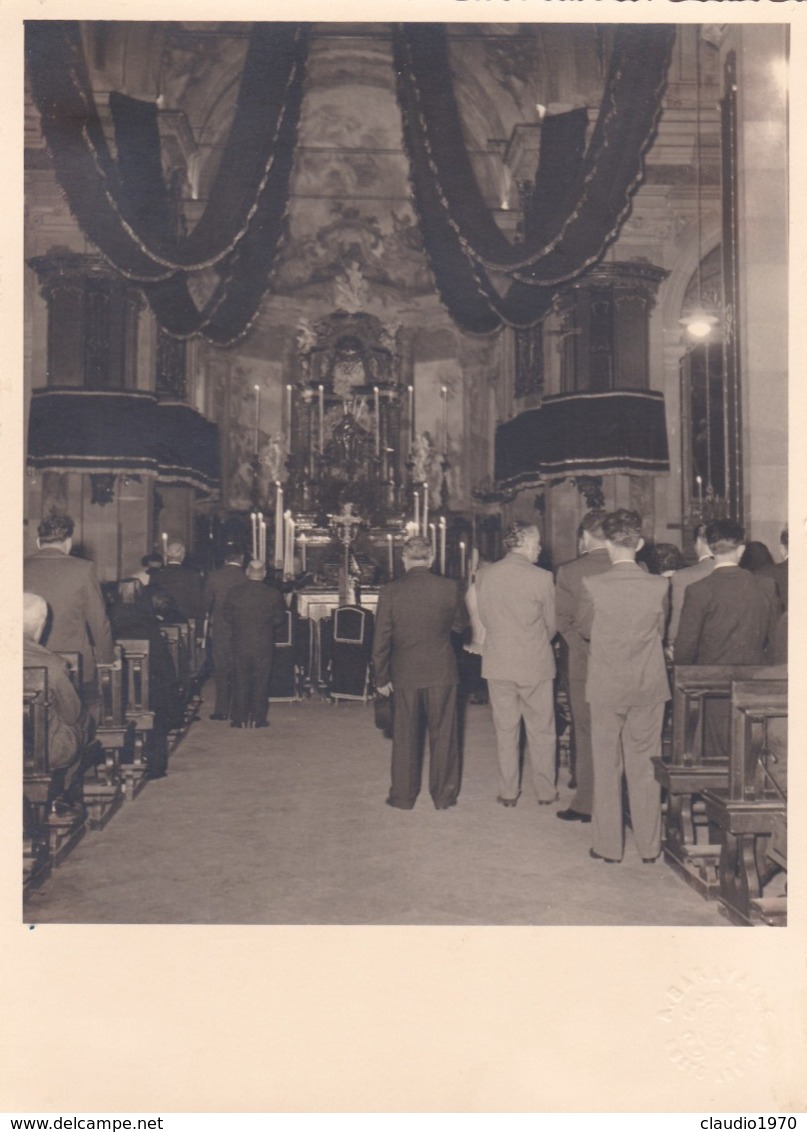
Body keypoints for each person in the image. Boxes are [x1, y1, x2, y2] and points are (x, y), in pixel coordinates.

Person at [579, 509, 670, 864]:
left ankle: (608, 846)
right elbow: (661, 631)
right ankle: (650, 847)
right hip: (648, 684)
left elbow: (585, 629)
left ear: (606, 543)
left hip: (606, 685)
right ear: (640, 544)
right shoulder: (660, 585)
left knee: (606, 764)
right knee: (645, 765)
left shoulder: (593, 585)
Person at [372, 534, 468, 810]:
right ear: (432, 557)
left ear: (403, 559)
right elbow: (460, 626)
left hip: (404, 673)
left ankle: (403, 796)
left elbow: (381, 639)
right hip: (441, 670)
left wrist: (381, 677)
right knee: (444, 734)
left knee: (404, 736)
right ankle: (443, 796)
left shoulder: (390, 591)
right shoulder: (450, 587)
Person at [673, 518, 780, 756]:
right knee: (749, 751)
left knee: (716, 751)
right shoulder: (766, 585)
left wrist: (681, 666)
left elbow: (685, 647)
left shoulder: (698, 590)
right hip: (755, 680)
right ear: (741, 550)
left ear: (710, 549)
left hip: (711, 683)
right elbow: (775, 639)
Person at [476, 521, 557, 807]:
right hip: (534, 662)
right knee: (542, 730)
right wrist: (534, 641)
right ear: (522, 543)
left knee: (505, 729)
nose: (540, 548)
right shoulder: (542, 577)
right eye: (537, 542)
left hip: (498, 661)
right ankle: (546, 792)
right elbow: (552, 624)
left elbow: (485, 618)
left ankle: (508, 791)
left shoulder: (484, 576)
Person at [24, 514, 115, 718]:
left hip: (26, 662)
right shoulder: (83, 569)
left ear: (39, 542)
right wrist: (107, 659)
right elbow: (99, 621)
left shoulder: (19, 567)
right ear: (68, 543)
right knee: (84, 713)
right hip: (75, 664)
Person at [554, 510, 612, 824]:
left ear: (587, 536)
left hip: (584, 663)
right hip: (624, 663)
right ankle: (618, 801)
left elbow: (562, 621)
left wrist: (584, 649)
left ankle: (587, 802)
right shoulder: (636, 567)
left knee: (586, 731)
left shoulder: (569, 572)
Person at [107, 579, 184, 778]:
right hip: (146, 693)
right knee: (155, 700)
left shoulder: (109, 622)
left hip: (115, 694)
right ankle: (156, 765)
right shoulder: (147, 622)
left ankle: (122, 757)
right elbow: (163, 665)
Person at [23, 591, 91, 808]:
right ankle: (63, 795)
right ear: (41, 625)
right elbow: (72, 713)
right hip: (40, 753)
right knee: (82, 722)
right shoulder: (50, 664)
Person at [222, 560, 287, 729]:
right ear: (264, 573)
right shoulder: (273, 594)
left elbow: (227, 616)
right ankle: (259, 719)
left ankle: (239, 719)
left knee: (240, 679)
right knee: (261, 681)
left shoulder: (234, 592)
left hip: (240, 642)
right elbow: (280, 619)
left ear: (247, 572)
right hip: (263, 642)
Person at [202, 548, 245, 720]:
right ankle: (239, 708)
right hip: (242, 627)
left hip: (220, 627)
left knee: (221, 668)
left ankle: (220, 709)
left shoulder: (214, 576)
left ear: (226, 560)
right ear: (241, 559)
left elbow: (205, 603)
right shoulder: (246, 576)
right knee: (239, 667)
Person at [666, 522, 715, 651]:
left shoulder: (683, 576)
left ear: (698, 542)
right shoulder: (742, 574)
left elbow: (678, 619)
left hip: (695, 650)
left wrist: (671, 644)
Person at [149, 540, 204, 626]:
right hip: (184, 619)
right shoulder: (192, 575)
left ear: (167, 555)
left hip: (161, 619)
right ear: (182, 556)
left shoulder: (156, 575)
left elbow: (151, 598)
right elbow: (196, 601)